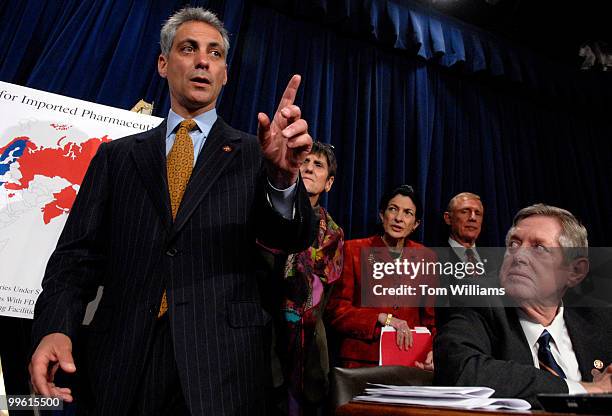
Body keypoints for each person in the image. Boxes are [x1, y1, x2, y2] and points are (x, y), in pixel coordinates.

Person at [28, 7, 316, 415]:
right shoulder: (116, 157)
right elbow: (74, 259)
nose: (203, 60)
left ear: (226, 74)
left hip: (222, 368)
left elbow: (290, 239)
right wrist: (55, 327)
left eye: (215, 54)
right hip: (121, 362)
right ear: (163, 64)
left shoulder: (258, 153)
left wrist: (284, 180)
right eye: (189, 48)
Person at [434, 204, 612, 406]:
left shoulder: (600, 317)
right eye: (514, 244)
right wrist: (583, 389)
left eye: (539, 247)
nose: (519, 256)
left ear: (575, 271)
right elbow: (460, 371)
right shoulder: (477, 302)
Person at [264, 142, 344, 415]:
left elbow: (321, 295)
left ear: (329, 183)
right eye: (305, 162)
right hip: (263, 340)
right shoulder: (269, 214)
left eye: (318, 165)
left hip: (308, 352)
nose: (309, 168)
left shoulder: (333, 234)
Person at [326, 185, 435, 369]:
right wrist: (382, 318)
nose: (399, 218)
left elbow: (431, 320)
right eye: (393, 209)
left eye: (408, 213)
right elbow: (337, 312)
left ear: (415, 224)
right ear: (382, 214)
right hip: (362, 363)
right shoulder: (354, 251)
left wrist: (432, 349)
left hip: (411, 362)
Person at [444, 192, 484, 262]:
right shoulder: (432, 258)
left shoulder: (496, 258)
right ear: (448, 218)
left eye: (478, 213)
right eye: (465, 212)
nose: (473, 218)